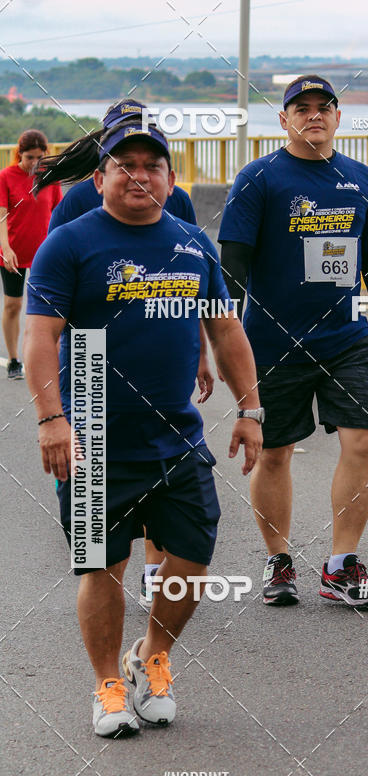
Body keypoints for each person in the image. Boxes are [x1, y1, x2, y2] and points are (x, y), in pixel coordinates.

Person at [24, 121, 263, 738]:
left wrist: (250, 408)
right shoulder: (70, 243)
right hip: (94, 433)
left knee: (190, 560)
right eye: (124, 165)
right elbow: (40, 336)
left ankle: (152, 656)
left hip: (178, 435)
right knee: (101, 567)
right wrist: (52, 419)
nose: (139, 176)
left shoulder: (191, 242)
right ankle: (107, 685)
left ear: (171, 179)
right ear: (100, 177)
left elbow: (226, 330)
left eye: (151, 166)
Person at [219, 75, 368, 609]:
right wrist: (219, 340)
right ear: (283, 120)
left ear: (338, 118)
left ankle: (341, 564)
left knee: (362, 442)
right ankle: (279, 559)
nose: (314, 115)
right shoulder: (259, 180)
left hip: (347, 338)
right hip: (272, 343)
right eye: (301, 108)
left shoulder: (360, 179)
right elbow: (232, 268)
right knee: (275, 454)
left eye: (324, 107)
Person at [41, 98, 214, 610]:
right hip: (94, 361)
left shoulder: (175, 203)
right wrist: (56, 406)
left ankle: (155, 570)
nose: (139, 174)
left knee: (167, 471)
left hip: (164, 357)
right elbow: (53, 301)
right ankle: (108, 575)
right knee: (100, 530)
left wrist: (200, 353)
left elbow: (189, 288)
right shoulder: (76, 206)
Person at [0, 129, 62, 379]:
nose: (34, 163)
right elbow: (2, 215)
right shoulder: (6, 176)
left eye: (39, 157)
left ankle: (49, 361)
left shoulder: (50, 177)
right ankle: (14, 359)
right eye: (29, 158)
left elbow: (58, 215)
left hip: (44, 254)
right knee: (13, 305)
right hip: (12, 251)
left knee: (47, 311)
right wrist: (5, 248)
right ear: (19, 154)